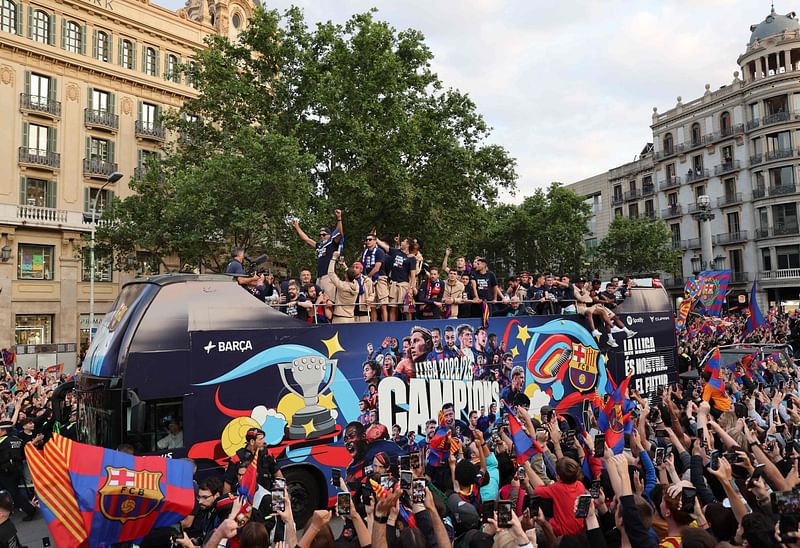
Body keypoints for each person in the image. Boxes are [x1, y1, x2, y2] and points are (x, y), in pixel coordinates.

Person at [291, 210, 344, 304]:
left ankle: (329, 319)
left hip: (328, 276)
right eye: (320, 235)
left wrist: (339, 219)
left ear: (329, 235)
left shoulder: (332, 243)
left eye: (324, 235)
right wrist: (297, 227)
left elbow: (340, 233)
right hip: (319, 277)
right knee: (318, 301)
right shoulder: (319, 245)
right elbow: (306, 239)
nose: (321, 237)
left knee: (328, 301)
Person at [0, 421, 35, 521]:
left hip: (5, 471)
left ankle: (30, 510)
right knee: (13, 492)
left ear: (3, 430)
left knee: (14, 494)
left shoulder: (2, 441)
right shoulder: (17, 439)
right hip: (16, 469)